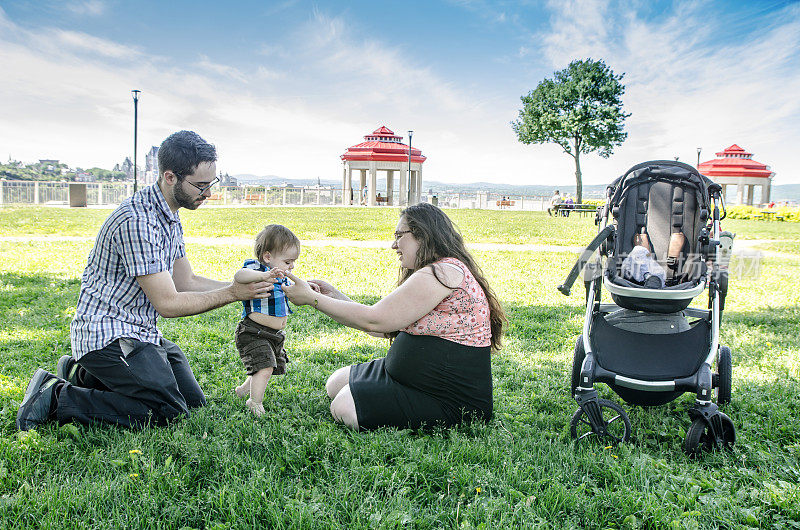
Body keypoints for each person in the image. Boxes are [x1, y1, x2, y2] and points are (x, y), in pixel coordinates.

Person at [16, 130, 279, 431]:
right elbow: (168, 302)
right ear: (170, 177)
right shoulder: (137, 221)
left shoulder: (169, 213)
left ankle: (83, 375)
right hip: (109, 335)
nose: (208, 193)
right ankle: (54, 396)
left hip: (141, 332)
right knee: (166, 412)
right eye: (201, 185)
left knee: (192, 405)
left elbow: (186, 281)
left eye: (212, 183)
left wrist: (255, 287)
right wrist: (233, 292)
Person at [282, 203, 506, 431]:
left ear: (423, 235)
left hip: (445, 396)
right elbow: (381, 326)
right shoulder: (435, 271)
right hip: (411, 380)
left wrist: (312, 299)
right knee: (335, 384)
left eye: (399, 236)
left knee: (344, 407)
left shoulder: (444, 272)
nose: (393, 245)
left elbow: (376, 320)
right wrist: (334, 296)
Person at [233, 224, 300, 417]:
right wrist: (264, 275)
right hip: (253, 331)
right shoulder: (255, 269)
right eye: (288, 261)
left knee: (266, 365)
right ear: (268, 257)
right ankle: (254, 402)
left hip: (274, 334)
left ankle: (245, 389)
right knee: (264, 366)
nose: (292, 266)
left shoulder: (281, 275)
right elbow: (239, 276)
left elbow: (292, 292)